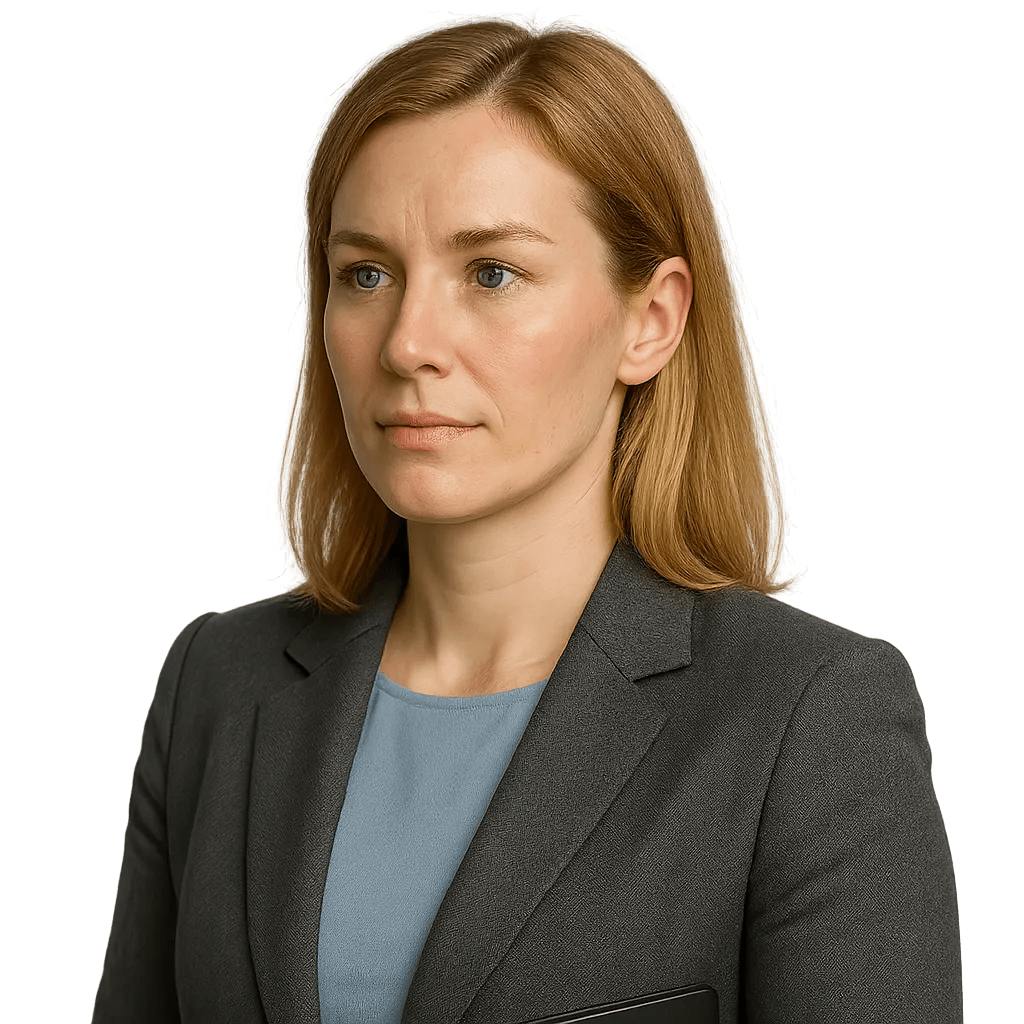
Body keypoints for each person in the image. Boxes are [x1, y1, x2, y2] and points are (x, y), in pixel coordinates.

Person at [91, 10, 962, 1024]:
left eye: (491, 272)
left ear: (650, 320)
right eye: (365, 273)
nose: (408, 342)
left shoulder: (806, 721)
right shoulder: (214, 683)